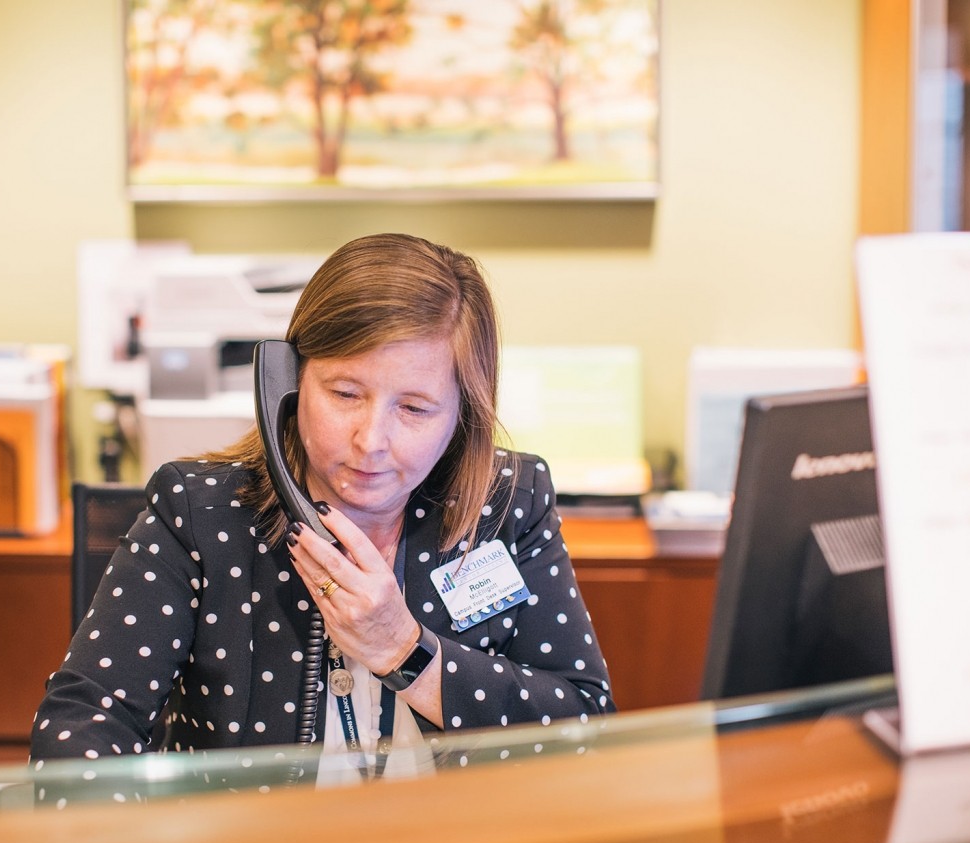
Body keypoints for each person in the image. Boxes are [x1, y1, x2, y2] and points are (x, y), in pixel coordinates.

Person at [31, 233, 614, 783]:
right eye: (344, 394)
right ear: (285, 382)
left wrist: (404, 651)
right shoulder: (201, 516)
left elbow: (584, 726)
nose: (370, 441)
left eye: (414, 409)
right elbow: (82, 724)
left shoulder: (507, 504)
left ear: (464, 412)